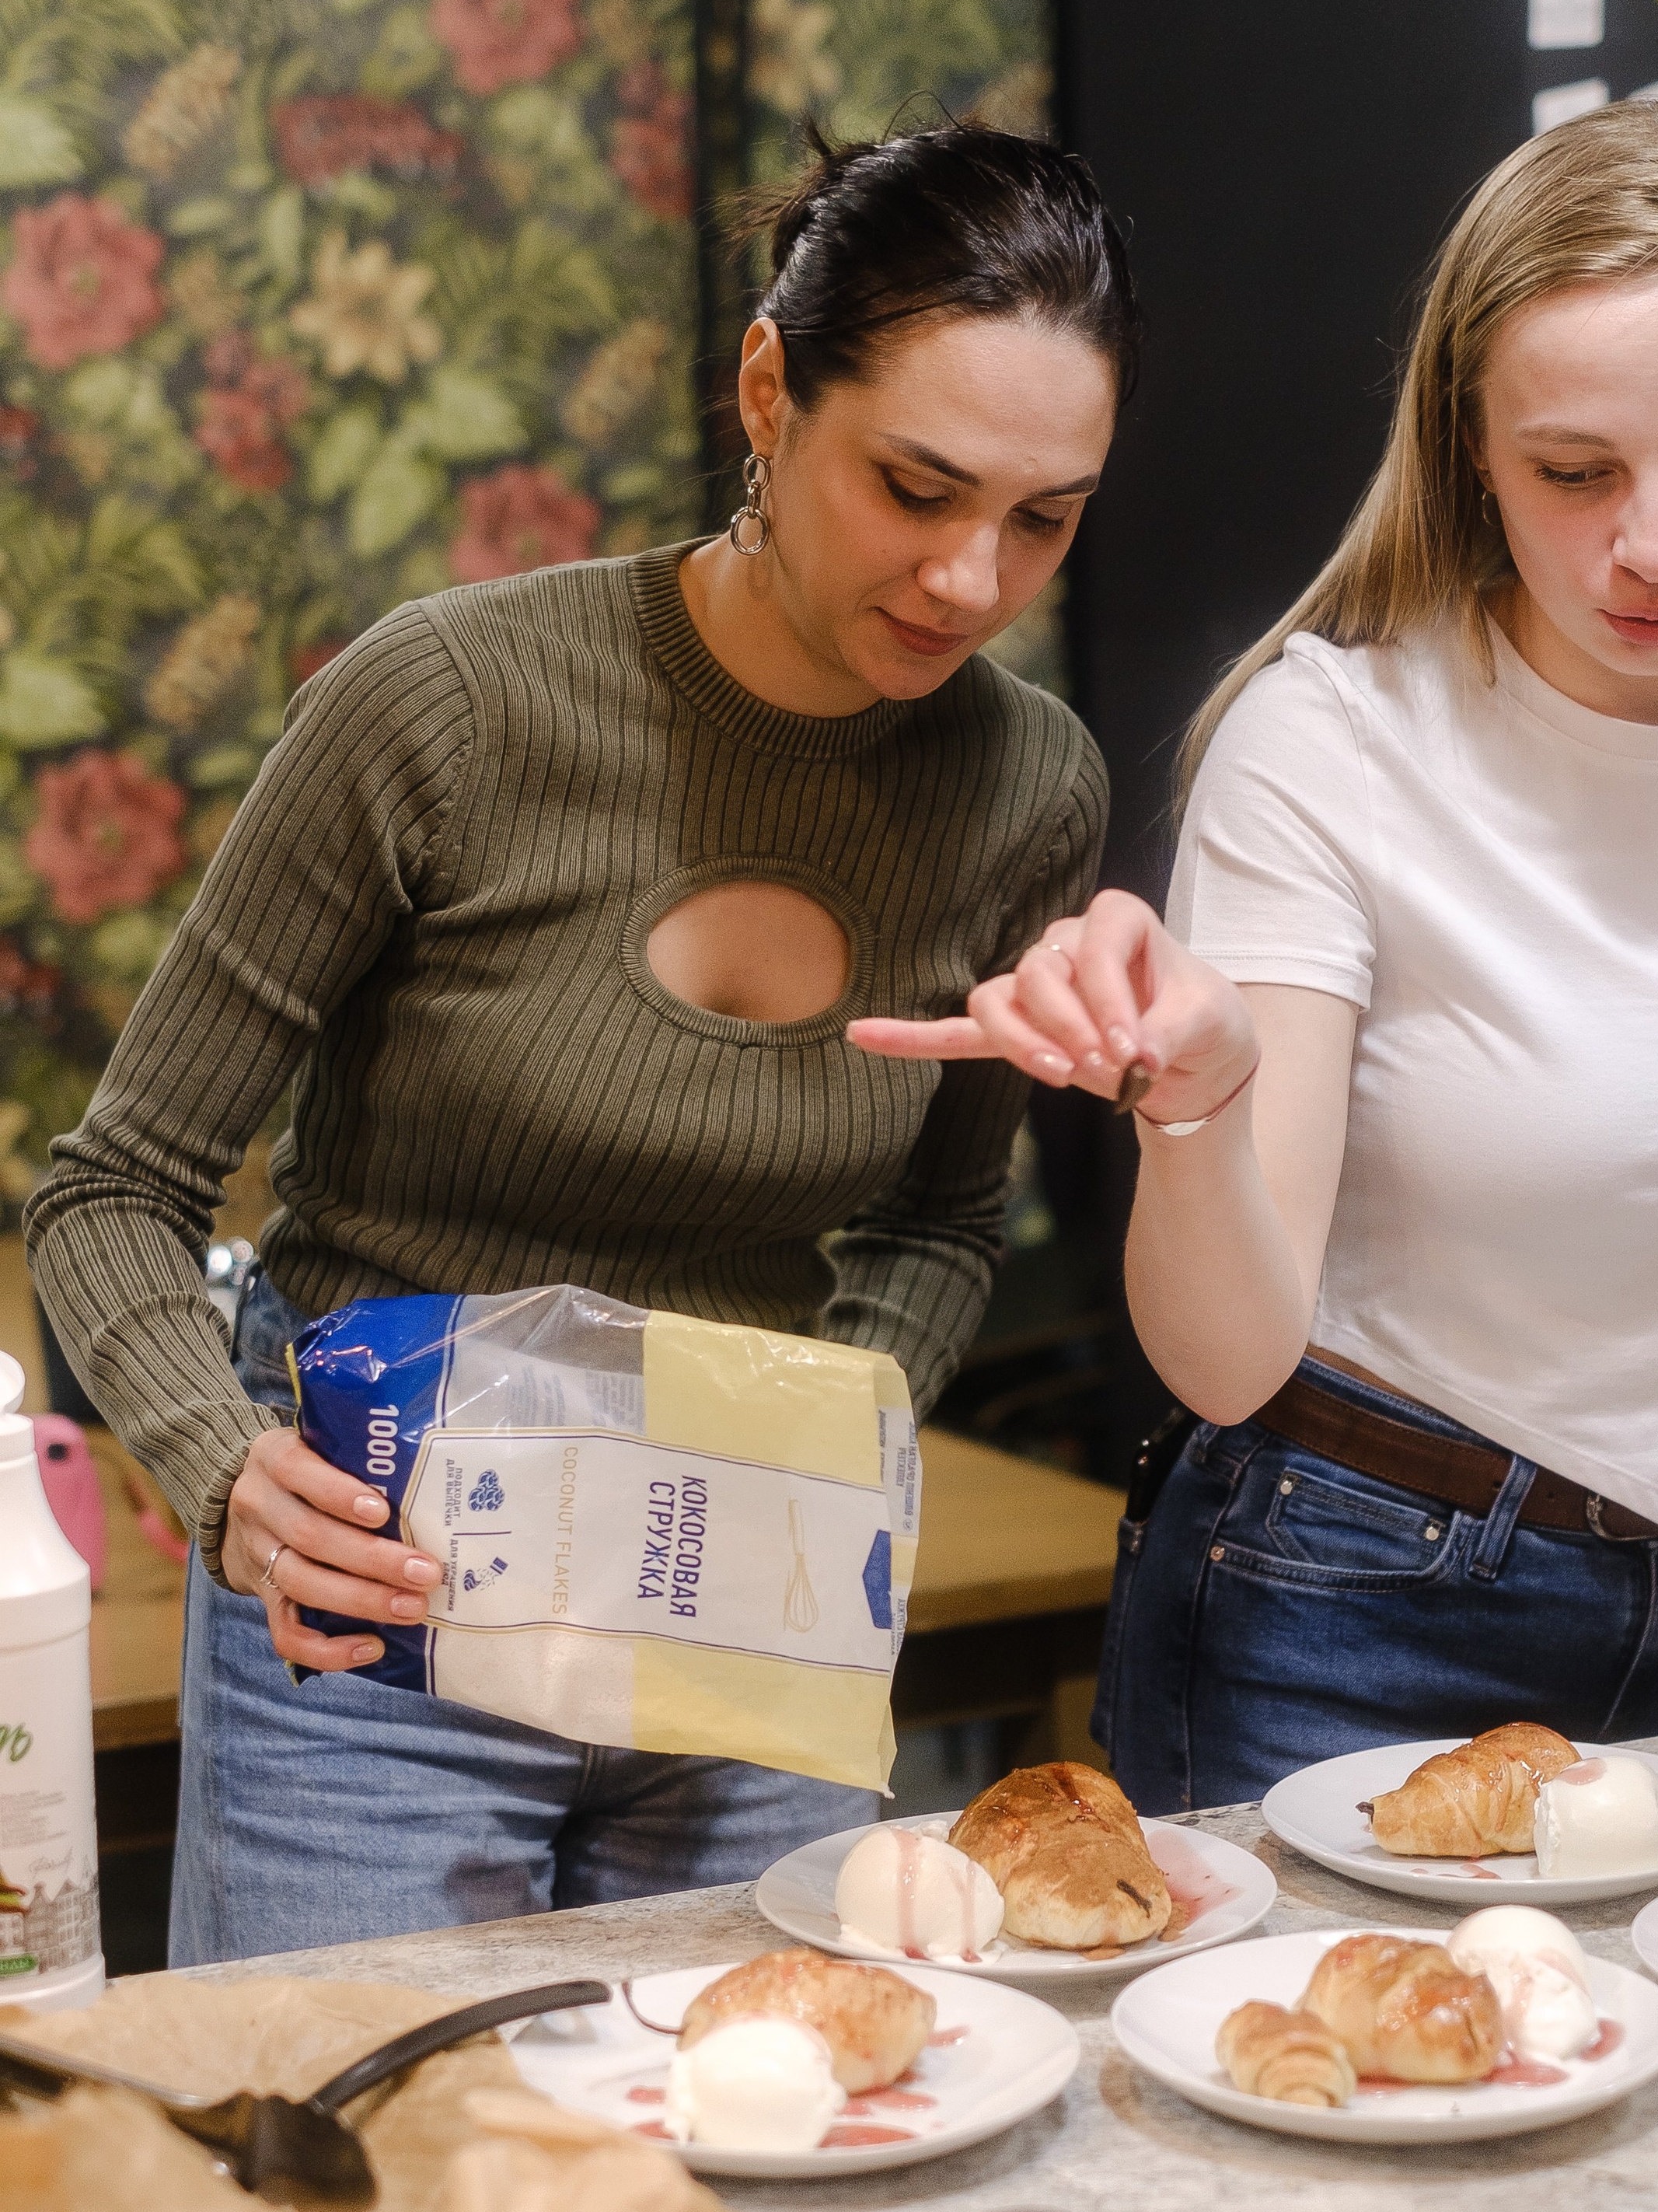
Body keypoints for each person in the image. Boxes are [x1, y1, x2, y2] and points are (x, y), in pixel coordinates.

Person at [27, 120, 1136, 1955]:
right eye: (916, 487)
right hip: (378, 1621)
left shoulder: (1024, 789)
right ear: (768, 392)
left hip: (739, 1631)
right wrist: (225, 1473)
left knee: (761, 2165)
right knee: (374, 2186)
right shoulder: (445, 707)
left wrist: (820, 1445)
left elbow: (939, 1229)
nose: (969, 580)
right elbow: (113, 1190)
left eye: (1043, 517)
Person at [854, 98, 1658, 1807]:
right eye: (1574, 471)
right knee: (1319, 2073)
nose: (1656, 544)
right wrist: (1199, 1106)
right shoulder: (1333, 742)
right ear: (1469, 444)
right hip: (1340, 1597)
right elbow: (1227, 1358)